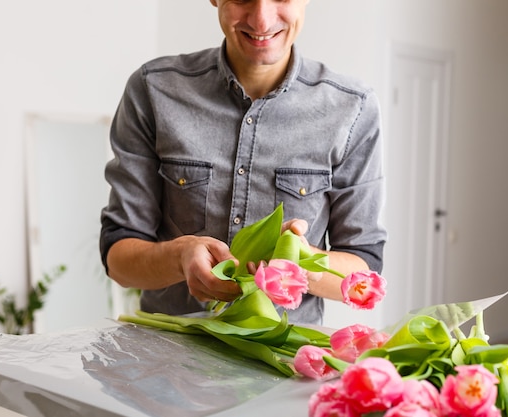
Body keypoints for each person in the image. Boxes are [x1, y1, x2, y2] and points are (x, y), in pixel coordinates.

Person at [100, 0, 386, 325]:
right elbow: (118, 257)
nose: (261, 20)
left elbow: (365, 269)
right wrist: (178, 257)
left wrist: (299, 261)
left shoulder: (353, 109)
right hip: (167, 364)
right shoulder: (153, 90)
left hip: (283, 368)